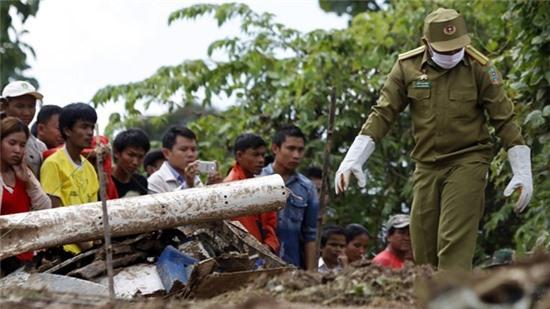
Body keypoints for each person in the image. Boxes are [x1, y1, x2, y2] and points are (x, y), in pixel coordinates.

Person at [334, 8, 533, 271]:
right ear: (426, 43)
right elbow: (383, 113)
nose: (452, 54)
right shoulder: (407, 67)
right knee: (423, 244)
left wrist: (521, 169)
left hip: (468, 160)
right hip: (426, 164)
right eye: (445, 49)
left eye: (456, 48)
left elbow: (505, 119)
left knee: (453, 239)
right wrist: (353, 159)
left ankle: (450, 297)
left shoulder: (481, 68)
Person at [40, 103, 99, 255]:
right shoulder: (53, 164)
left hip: (91, 249)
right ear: (67, 130)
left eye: (92, 127)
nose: (90, 133)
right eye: (84, 127)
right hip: (64, 251)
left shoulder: (90, 168)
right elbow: (55, 213)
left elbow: (95, 212)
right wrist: (86, 245)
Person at [261, 125, 319, 270]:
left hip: (292, 266)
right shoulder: (257, 180)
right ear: (275, 148)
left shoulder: (307, 188)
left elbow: (311, 236)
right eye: (291, 149)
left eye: (300, 150)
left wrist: (312, 274)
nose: (296, 155)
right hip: (258, 265)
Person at [0, 117, 51, 275]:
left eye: (22, 145)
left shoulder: (23, 172)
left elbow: (45, 207)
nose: (18, 150)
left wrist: (28, 181)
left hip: (26, 256)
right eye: (12, 143)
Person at [224, 133, 279, 253]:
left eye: (262, 155)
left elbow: (270, 222)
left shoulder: (261, 185)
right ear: (239, 155)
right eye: (255, 155)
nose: (261, 160)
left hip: (260, 252)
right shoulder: (228, 187)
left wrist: (268, 246)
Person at [148, 126, 222, 193]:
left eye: (193, 149)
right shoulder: (155, 182)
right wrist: (188, 185)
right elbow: (166, 207)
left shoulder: (195, 177)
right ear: (167, 153)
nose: (191, 154)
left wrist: (209, 187)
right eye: (183, 150)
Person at [1, 81, 47, 177]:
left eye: (31, 106)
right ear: (4, 106)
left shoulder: (39, 147)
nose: (27, 112)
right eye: (20, 106)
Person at [112, 129, 150, 197]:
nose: (135, 162)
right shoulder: (105, 182)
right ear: (116, 153)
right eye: (131, 155)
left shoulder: (141, 182)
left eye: (140, 157)